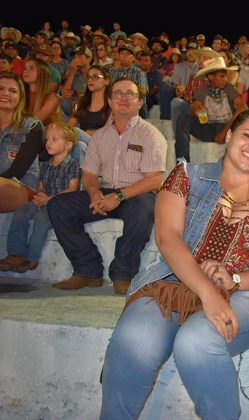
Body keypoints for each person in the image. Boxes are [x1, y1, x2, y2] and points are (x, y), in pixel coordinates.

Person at [100, 107, 249, 419]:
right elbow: (168, 237)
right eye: (247, 135)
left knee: (197, 341)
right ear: (229, 136)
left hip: (245, 295)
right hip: (170, 284)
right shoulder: (187, 176)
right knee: (135, 338)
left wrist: (235, 280)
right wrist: (209, 293)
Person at [47, 78, 167, 295]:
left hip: (137, 194)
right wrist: (94, 194)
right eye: (118, 93)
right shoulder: (100, 136)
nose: (124, 98)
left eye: (130, 94)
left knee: (144, 208)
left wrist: (118, 197)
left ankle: (123, 274)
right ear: (110, 101)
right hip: (104, 192)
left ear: (140, 103)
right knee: (58, 205)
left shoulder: (150, 134)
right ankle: (87, 270)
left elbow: (154, 180)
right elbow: (89, 174)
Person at [0, 122, 79, 272]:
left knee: (41, 220)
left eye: (54, 139)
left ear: (68, 145)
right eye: (47, 139)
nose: (48, 143)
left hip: (59, 205)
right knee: (21, 212)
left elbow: (72, 190)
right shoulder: (44, 165)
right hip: (44, 201)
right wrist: (39, 196)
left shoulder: (72, 166)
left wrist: (49, 199)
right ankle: (16, 254)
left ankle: (31, 258)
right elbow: (41, 187)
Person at [174, 56, 244, 162]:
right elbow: (193, 110)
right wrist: (198, 111)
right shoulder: (203, 90)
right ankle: (182, 162)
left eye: (225, 76)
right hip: (209, 128)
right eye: (222, 76)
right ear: (211, 77)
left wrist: (224, 131)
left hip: (227, 127)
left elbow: (242, 107)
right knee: (183, 118)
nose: (226, 79)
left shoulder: (229, 88)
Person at [0, 72, 43, 213]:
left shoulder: (32, 126)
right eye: (0, 88)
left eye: (13, 91)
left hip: (21, 186)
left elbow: (18, 170)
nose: (5, 93)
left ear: (21, 97)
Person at [22, 58, 60, 125]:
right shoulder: (20, 94)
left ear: (42, 73)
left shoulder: (52, 98)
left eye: (31, 68)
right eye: (25, 68)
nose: (26, 71)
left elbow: (33, 123)